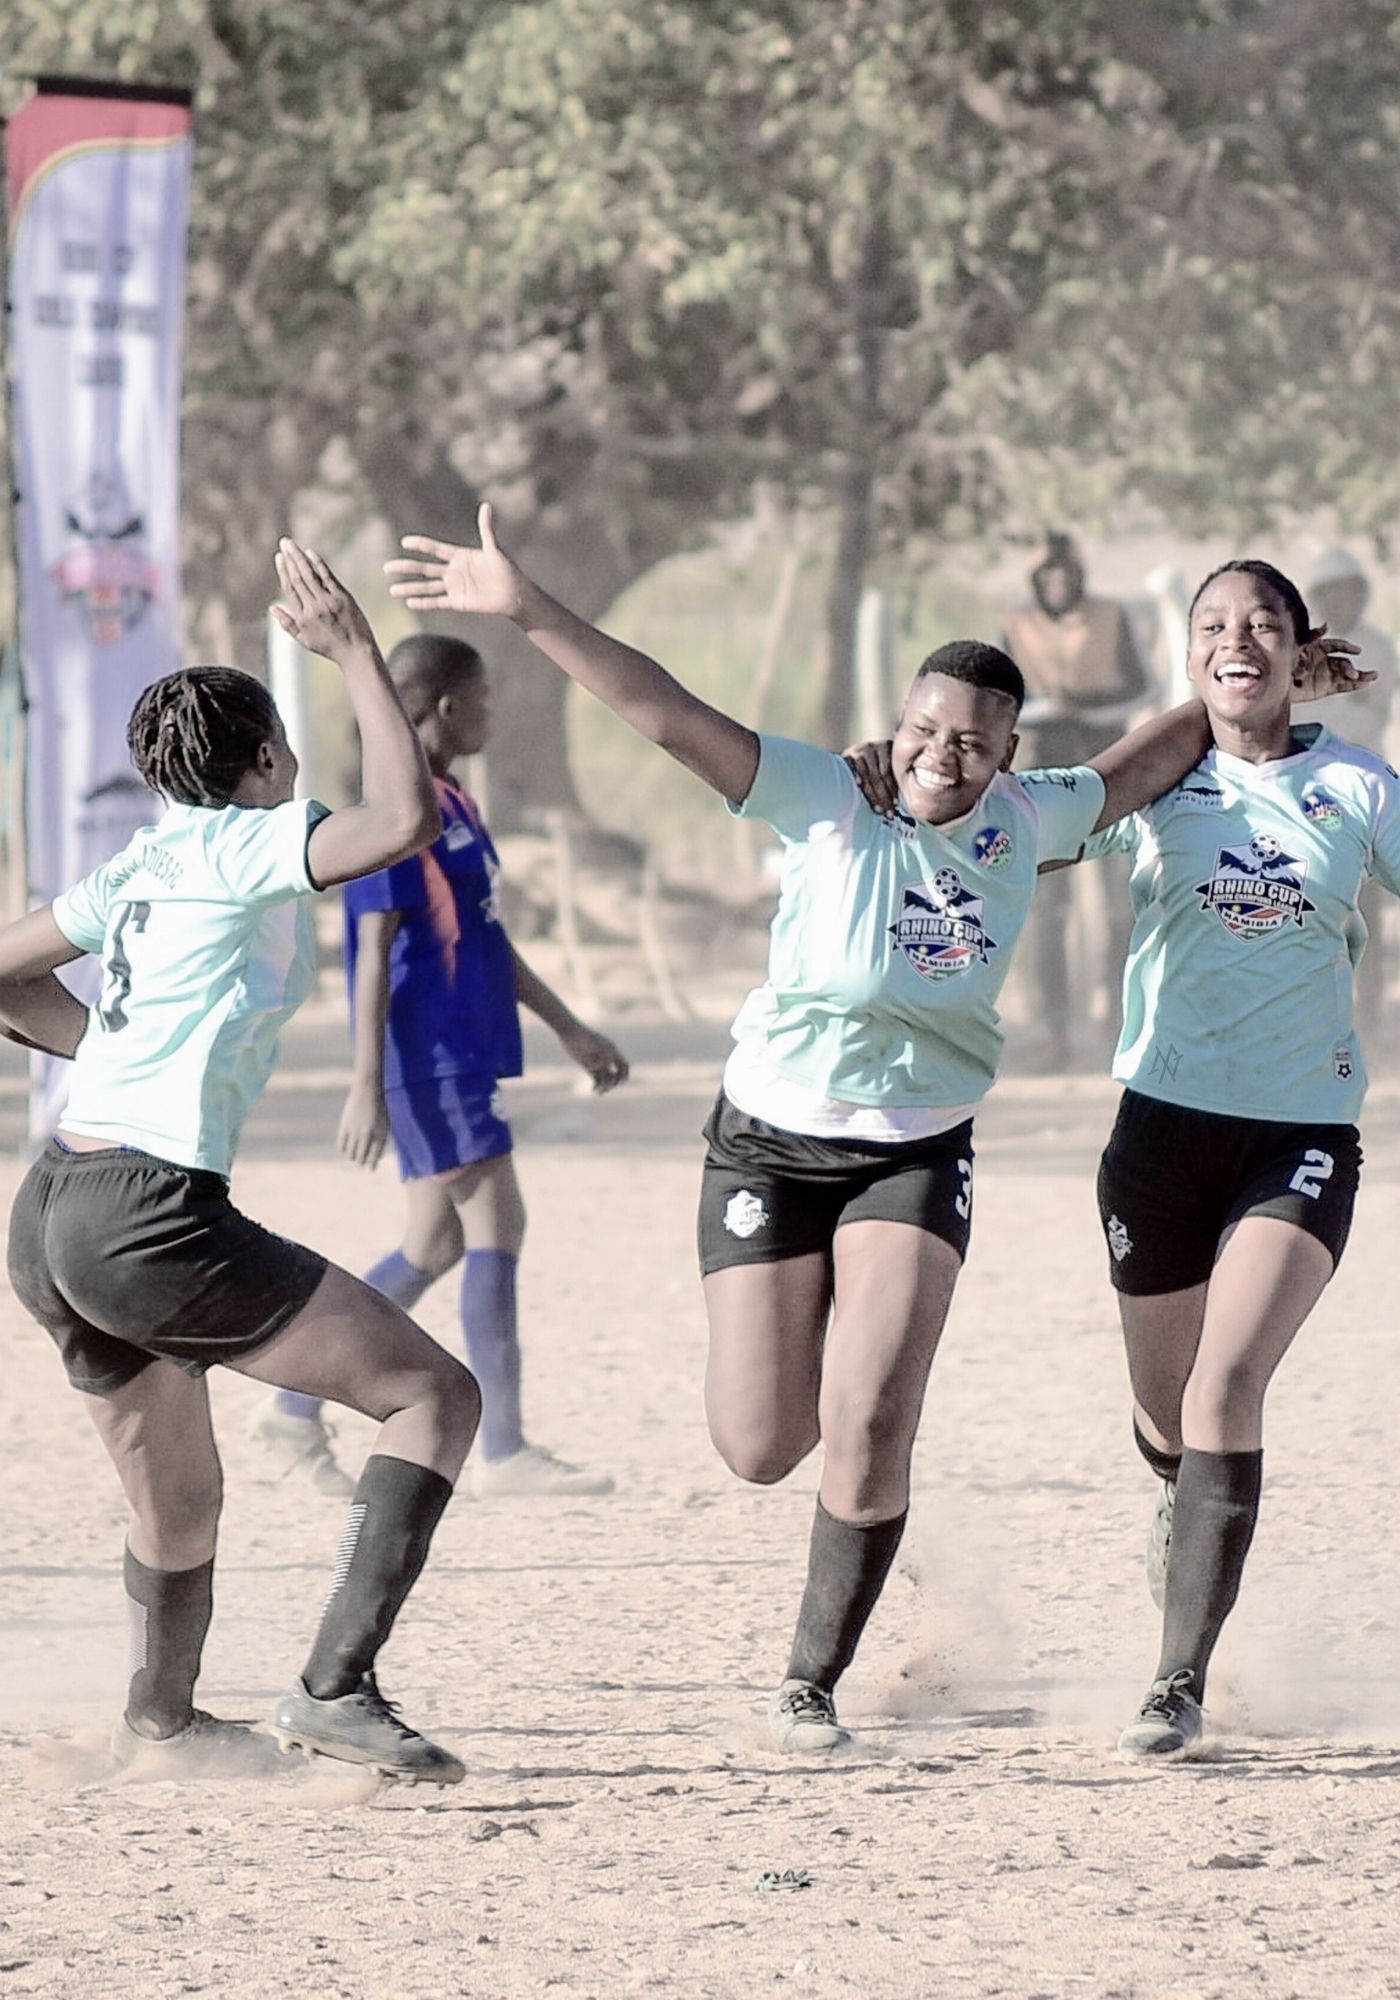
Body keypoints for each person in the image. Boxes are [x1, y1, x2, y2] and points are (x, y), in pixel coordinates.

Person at [382, 503, 1249, 1756]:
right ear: (895, 730)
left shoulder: (1033, 819)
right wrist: (525, 608)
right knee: (758, 1443)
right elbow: (665, 709)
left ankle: (809, 1681)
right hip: (769, 1143)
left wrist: (1232, 685)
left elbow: (1135, 762)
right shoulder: (822, 794)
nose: (939, 756)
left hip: (913, 1148)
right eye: (922, 731)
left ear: (1008, 753)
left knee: (872, 1417)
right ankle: (825, 1420)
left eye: (969, 741)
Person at [0, 541, 481, 1785]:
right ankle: (334, 1688)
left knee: (179, 1501)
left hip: (52, 1206)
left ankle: (159, 1723)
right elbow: (400, 817)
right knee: (434, 1397)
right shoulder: (248, 840)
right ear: (266, 758)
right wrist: (358, 653)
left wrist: (100, 1032)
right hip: (146, 1215)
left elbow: (3, 968)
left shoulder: (147, 860)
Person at [1075, 559, 1387, 1760]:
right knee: (1166, 1418)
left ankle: (1173, 1680)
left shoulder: (1354, 783)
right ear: (1186, 649)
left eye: (1260, 622)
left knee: (1222, 1389)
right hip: (1155, 1134)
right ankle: (1175, 1493)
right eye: (1211, 624)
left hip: (1298, 1134)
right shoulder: (1160, 780)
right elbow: (1030, 826)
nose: (1233, 637)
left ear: (1303, 645)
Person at [255, 632, 627, 1498]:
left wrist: (571, 1028)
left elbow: (490, 939)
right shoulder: (391, 818)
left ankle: (291, 1408)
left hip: (461, 1055)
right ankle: (504, 1451)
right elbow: (370, 954)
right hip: (425, 1062)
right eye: (485, 697)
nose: (493, 711)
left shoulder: (452, 803)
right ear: (448, 708)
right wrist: (363, 1085)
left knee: (433, 1244)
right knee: (500, 1226)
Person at [1000, 533, 1153, 1067]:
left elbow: (1142, 688)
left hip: (1107, 770)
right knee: (1047, 909)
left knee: (1118, 905)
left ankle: (1118, 1019)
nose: (1057, 585)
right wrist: (1049, 708)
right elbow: (1005, 700)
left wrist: (1085, 705)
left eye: (1065, 575)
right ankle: (1055, 1031)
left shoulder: (1111, 616)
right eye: (1047, 577)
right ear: (1036, 581)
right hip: (1043, 774)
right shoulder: (1017, 626)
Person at [1299, 548, 1396, 1043]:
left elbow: (1367, 709)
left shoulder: (1378, 648)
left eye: (1349, 588)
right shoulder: (1301, 652)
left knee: (1367, 909)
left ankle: (1371, 1015)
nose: (1342, 597)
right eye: (1331, 589)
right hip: (1308, 793)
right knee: (1312, 909)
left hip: (1364, 793)